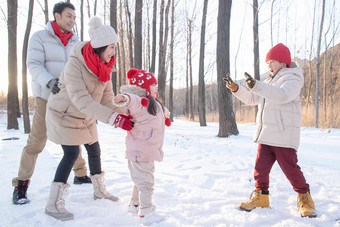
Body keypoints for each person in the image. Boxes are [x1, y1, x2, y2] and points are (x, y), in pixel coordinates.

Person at [44, 16, 134, 221]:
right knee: (71, 152)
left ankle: (99, 190)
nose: (114, 52)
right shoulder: (75, 65)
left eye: (115, 47)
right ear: (100, 46)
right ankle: (53, 204)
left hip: (86, 115)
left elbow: (106, 98)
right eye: (111, 47)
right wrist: (113, 119)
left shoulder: (105, 66)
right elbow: (81, 100)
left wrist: (124, 113)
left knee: (94, 148)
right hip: (64, 114)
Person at [223, 43, 316, 218]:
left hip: (283, 135)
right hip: (266, 134)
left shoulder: (293, 78)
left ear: (283, 62)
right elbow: (252, 99)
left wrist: (257, 85)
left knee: (291, 170)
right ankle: (261, 197)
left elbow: (282, 96)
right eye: (267, 63)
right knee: (260, 168)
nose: (269, 66)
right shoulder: (269, 80)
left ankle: (305, 198)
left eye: (272, 62)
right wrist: (236, 89)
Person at [12, 1, 91, 206]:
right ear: (56, 16)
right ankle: (20, 186)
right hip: (47, 97)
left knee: (73, 135)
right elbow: (34, 64)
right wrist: (49, 81)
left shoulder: (77, 42)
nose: (72, 20)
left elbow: (82, 68)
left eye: (74, 17)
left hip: (69, 98)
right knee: (37, 141)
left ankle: (80, 174)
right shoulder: (40, 37)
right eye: (69, 16)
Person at [113, 69, 171, 225]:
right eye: (153, 85)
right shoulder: (140, 101)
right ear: (144, 88)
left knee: (140, 179)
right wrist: (123, 98)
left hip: (145, 149)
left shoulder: (152, 103)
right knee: (146, 183)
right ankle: (146, 212)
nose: (156, 88)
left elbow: (159, 111)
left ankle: (135, 204)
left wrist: (166, 113)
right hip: (142, 150)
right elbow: (130, 99)